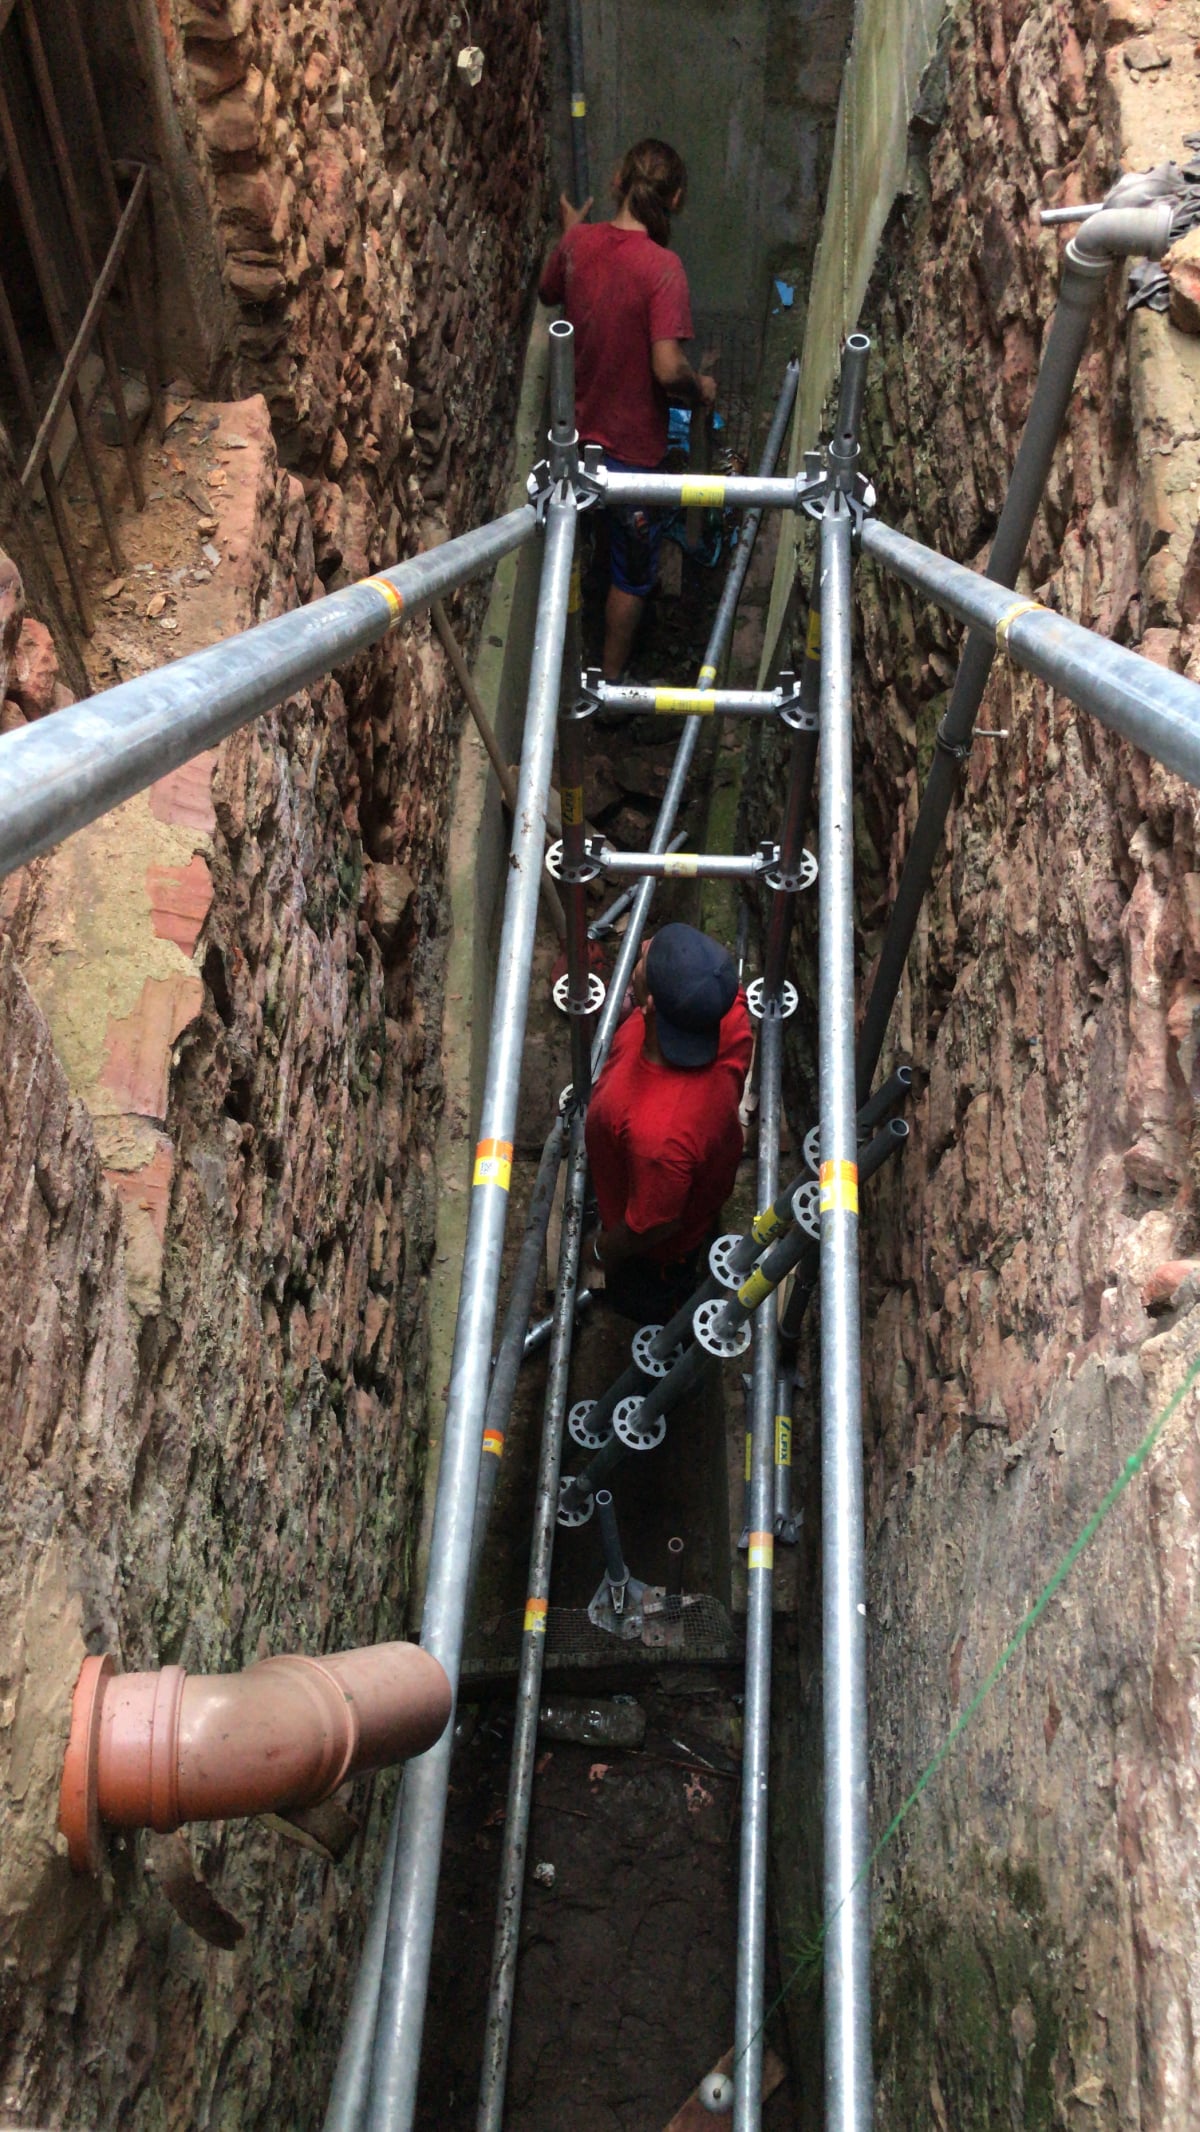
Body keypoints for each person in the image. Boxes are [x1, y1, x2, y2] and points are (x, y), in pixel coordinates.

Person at [539, 139, 717, 680]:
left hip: (573, 446)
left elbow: (550, 293)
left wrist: (571, 234)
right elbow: (667, 368)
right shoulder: (663, 269)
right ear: (677, 198)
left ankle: (557, 672)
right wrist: (699, 387)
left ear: (616, 179)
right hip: (633, 461)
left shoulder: (578, 244)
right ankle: (608, 690)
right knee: (631, 575)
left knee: (569, 544)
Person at [584, 924, 753, 1320]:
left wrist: (600, 1250)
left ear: (652, 1005)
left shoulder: (658, 1138)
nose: (642, 950)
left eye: (645, 961)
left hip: (655, 1254)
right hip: (686, 1168)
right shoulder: (725, 1011)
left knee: (643, 1299)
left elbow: (651, 1228)